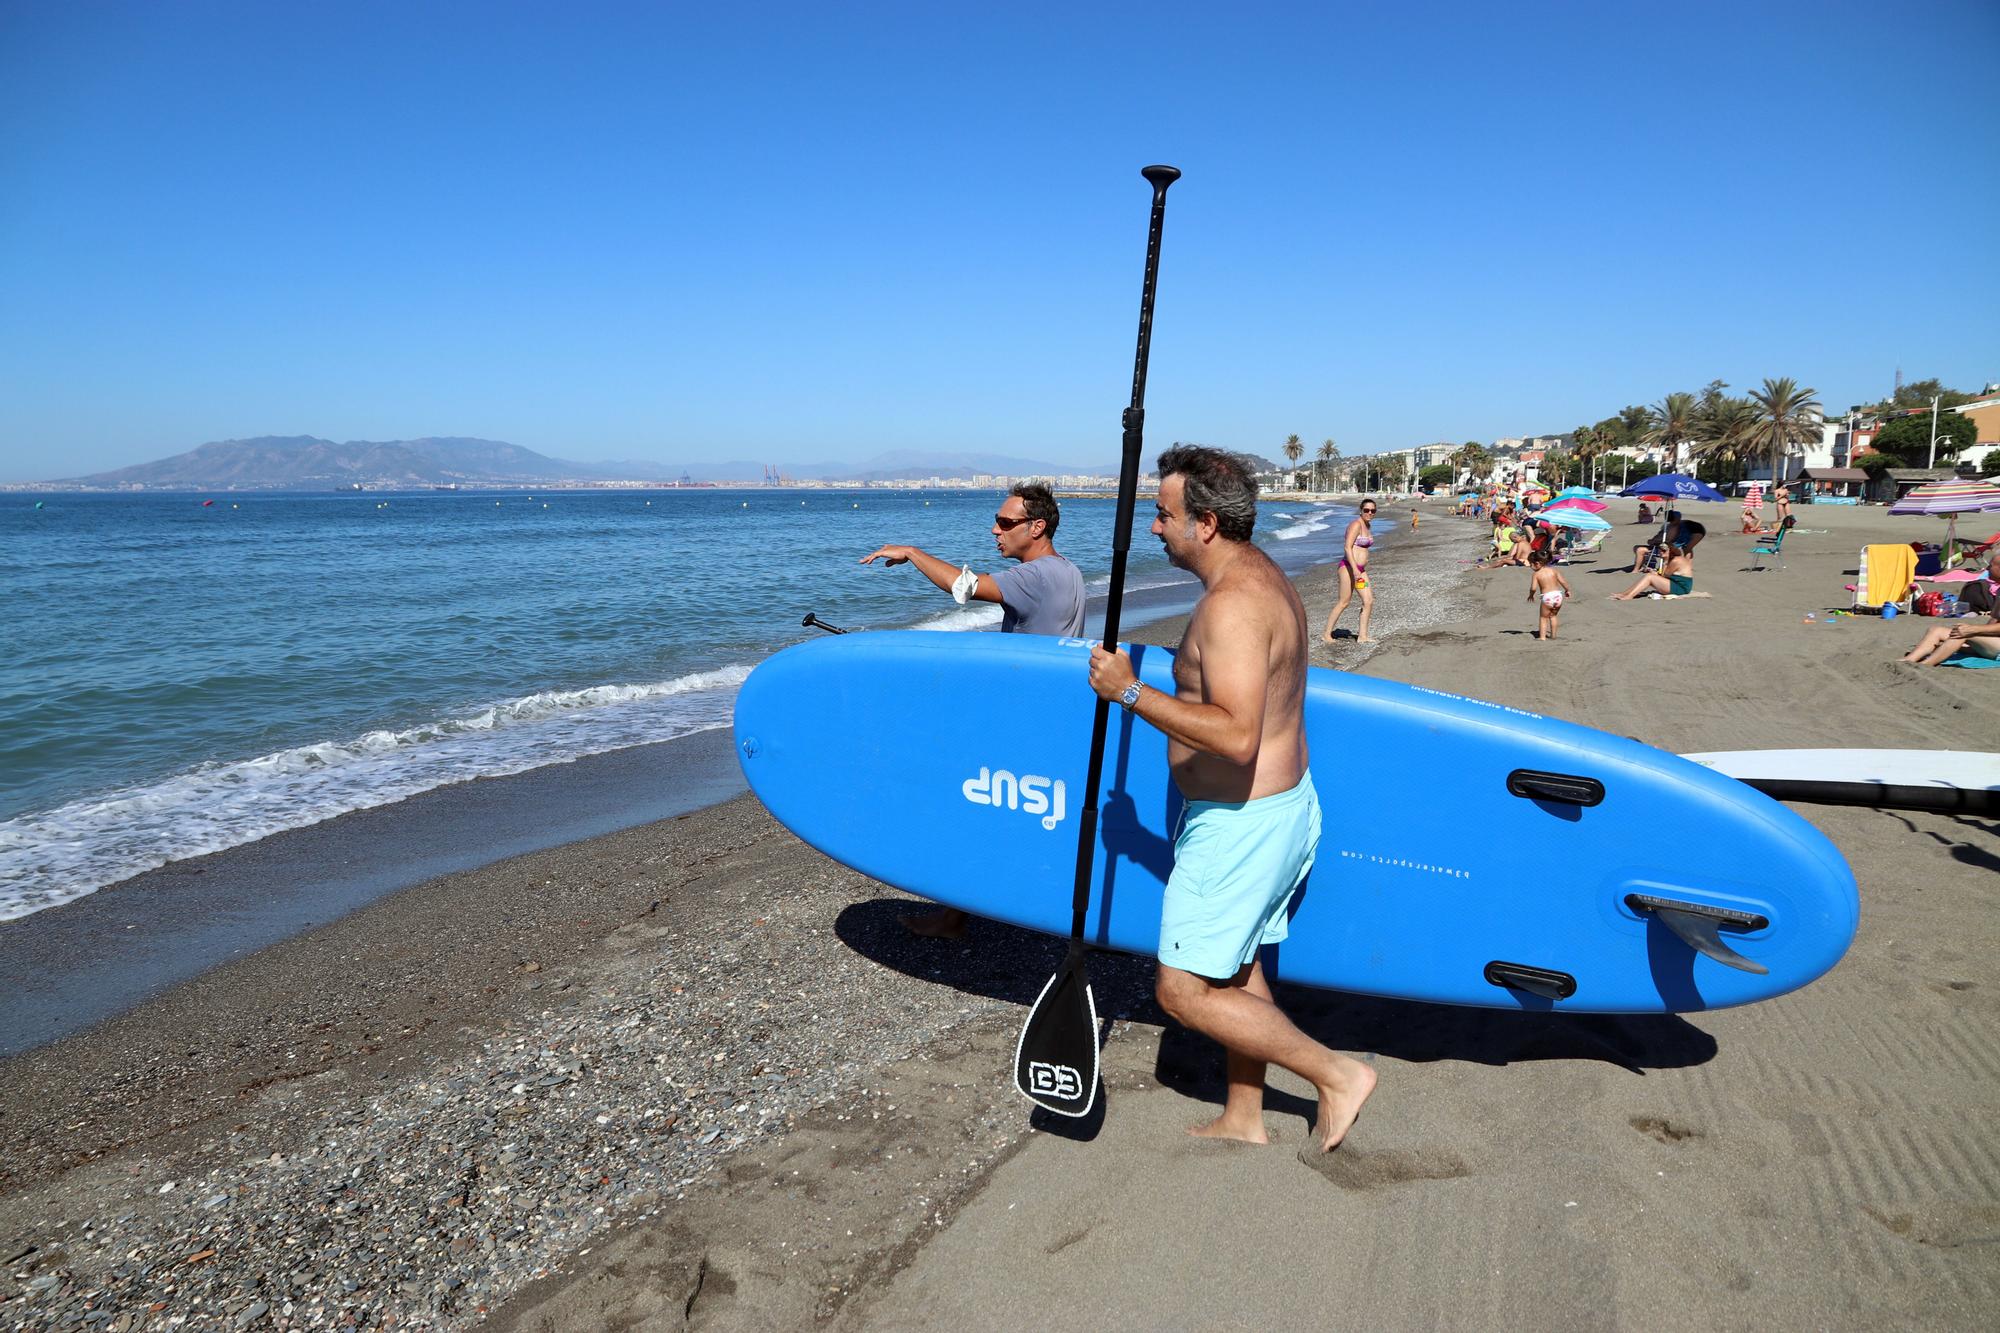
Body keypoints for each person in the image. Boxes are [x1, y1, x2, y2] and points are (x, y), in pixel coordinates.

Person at [1086, 446, 1375, 1153]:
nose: (1155, 527)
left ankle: (1337, 1075)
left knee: (1182, 991)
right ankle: (1244, 1114)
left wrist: (1128, 691)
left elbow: (1238, 735)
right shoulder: (1260, 575)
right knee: (1238, 968)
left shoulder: (1233, 606)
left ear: (1206, 523)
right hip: (1271, 812)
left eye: (1164, 514)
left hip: (1243, 824)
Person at [862, 482, 1085, 938]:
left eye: (1005, 523)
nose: (994, 531)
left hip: (1022, 722)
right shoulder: (1070, 573)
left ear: (1037, 527)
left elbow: (963, 587)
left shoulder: (1034, 576)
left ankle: (954, 916)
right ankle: (984, 910)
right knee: (1019, 817)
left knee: (970, 806)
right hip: (1054, 718)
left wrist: (913, 552)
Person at [1320, 497, 1377, 643]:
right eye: (1366, 510)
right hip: (1348, 568)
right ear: (1361, 510)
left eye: (1372, 511)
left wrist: (1360, 570)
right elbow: (1347, 547)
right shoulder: (1355, 525)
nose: (1369, 513)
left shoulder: (1368, 526)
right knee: (1344, 601)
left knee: (1368, 600)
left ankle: (1363, 636)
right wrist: (1355, 570)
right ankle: (1327, 634)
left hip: (1360, 570)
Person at [1614, 521, 1705, 599]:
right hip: (1673, 584)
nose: (1661, 552)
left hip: (1681, 588)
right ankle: (1625, 593)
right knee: (1649, 576)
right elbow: (1663, 574)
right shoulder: (1669, 559)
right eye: (1660, 550)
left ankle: (1629, 596)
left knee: (1650, 577)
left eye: (1664, 550)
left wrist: (1658, 569)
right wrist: (1656, 571)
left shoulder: (1676, 561)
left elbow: (1664, 575)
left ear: (1671, 551)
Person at [1901, 600, 2000, 666]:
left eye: (1991, 566)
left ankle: (1926, 664)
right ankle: (1909, 660)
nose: (1988, 569)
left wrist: (1974, 630)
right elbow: (1992, 624)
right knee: (1936, 630)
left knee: (1962, 634)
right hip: (1994, 643)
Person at [1527, 548, 1572, 640]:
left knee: (1543, 618)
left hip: (1547, 597)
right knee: (1553, 616)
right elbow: (1563, 582)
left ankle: (1542, 637)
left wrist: (1531, 595)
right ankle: (1553, 636)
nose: (1530, 566)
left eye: (1531, 564)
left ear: (1537, 563)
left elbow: (1533, 588)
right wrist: (1567, 590)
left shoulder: (1536, 574)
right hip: (1558, 596)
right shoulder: (1554, 571)